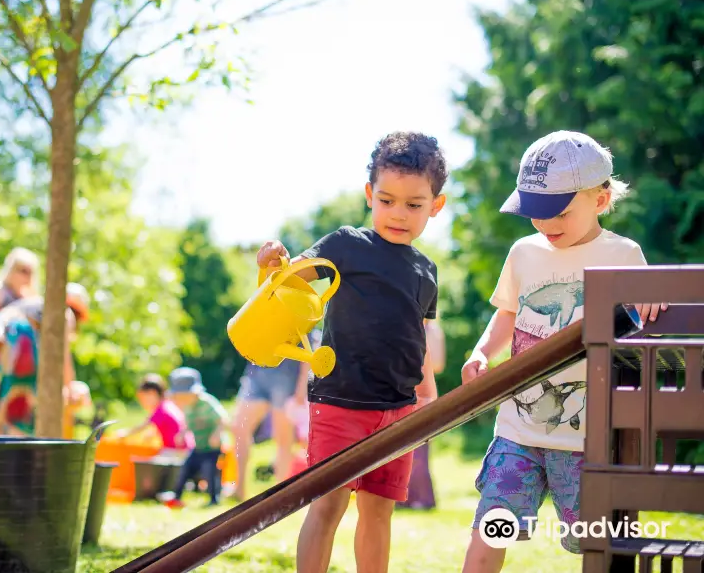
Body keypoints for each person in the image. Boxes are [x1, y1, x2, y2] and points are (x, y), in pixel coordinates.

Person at [459, 131, 666, 573]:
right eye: (534, 213)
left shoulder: (624, 254)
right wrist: (481, 352)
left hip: (585, 441)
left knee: (591, 543)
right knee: (493, 526)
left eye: (559, 213)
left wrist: (653, 300)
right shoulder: (524, 253)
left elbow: (646, 318)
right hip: (518, 432)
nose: (544, 224)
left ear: (600, 199)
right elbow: (508, 315)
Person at [257, 131, 446, 573]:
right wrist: (269, 265)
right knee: (327, 507)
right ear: (369, 195)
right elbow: (289, 286)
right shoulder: (347, 244)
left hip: (399, 411)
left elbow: (415, 334)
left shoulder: (426, 270)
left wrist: (428, 396)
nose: (398, 214)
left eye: (414, 204)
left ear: (436, 205)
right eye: (387, 200)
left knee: (379, 513)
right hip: (341, 402)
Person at [0, 283, 91, 436]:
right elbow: (63, 359)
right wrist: (69, 388)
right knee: (16, 423)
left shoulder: (32, 306)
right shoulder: (63, 313)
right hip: (17, 352)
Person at [231, 330, 318, 501]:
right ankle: (238, 488)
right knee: (239, 428)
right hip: (257, 374)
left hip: (287, 378)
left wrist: (303, 385)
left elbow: (310, 345)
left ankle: (281, 495)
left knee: (283, 440)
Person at [161, 367, 229, 509]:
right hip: (198, 447)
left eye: (184, 396)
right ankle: (176, 496)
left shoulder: (207, 403)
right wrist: (182, 433)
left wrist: (216, 434)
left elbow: (223, 419)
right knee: (185, 469)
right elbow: (189, 423)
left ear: (195, 392)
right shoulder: (187, 406)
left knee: (209, 471)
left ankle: (214, 498)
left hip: (212, 448)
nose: (181, 400)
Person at [397, 318, 446, 510]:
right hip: (403, 391)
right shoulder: (403, 325)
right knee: (401, 449)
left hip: (424, 391)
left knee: (420, 451)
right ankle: (401, 497)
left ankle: (422, 498)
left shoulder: (433, 331)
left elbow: (439, 364)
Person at [118, 373, 191, 452]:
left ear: (152, 393)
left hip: (177, 451)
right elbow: (165, 426)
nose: (142, 402)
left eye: (143, 398)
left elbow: (143, 426)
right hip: (185, 447)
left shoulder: (161, 410)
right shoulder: (168, 404)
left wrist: (124, 433)